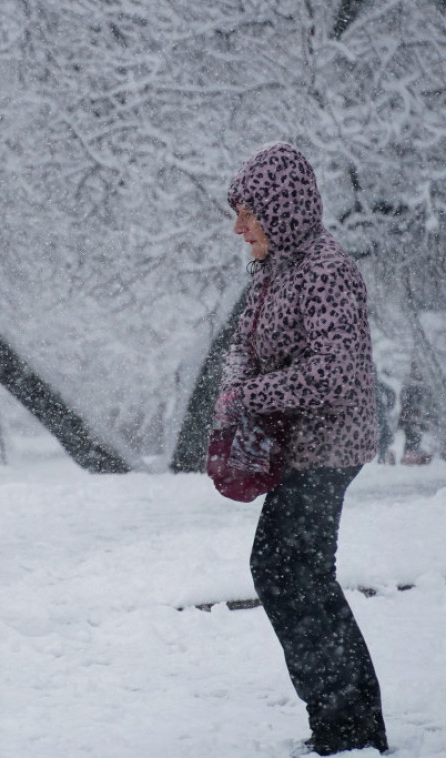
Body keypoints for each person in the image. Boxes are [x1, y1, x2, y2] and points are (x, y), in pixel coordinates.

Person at [212, 143, 388, 755]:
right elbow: (244, 343)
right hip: (298, 447)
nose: (238, 228)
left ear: (280, 211)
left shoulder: (324, 271)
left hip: (328, 445)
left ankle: (348, 724)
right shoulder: (276, 268)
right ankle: (347, 721)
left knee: (289, 572)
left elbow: (335, 372)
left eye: (247, 214)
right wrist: (236, 384)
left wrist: (251, 394)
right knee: (292, 573)